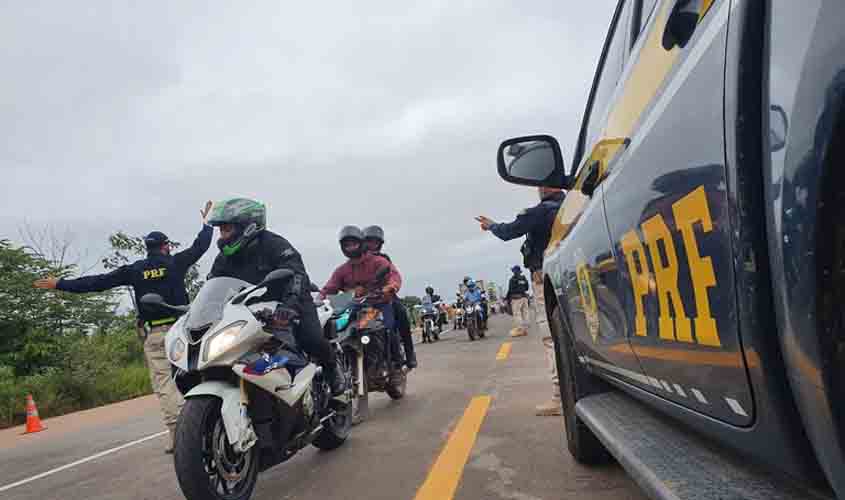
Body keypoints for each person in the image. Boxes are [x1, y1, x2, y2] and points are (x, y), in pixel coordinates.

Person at [33, 201, 214, 453]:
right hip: (183, 333)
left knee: (164, 384)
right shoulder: (175, 263)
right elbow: (200, 246)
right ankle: (204, 425)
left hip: (155, 335)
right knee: (197, 375)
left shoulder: (135, 270)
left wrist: (60, 283)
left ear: (148, 249)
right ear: (166, 247)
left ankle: (178, 434)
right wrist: (206, 224)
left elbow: (97, 282)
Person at [205, 198, 345, 397]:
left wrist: (289, 306)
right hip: (251, 311)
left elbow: (296, 274)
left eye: (227, 229)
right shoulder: (224, 258)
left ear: (247, 227)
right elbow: (213, 285)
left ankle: (332, 369)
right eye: (221, 230)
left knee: (311, 339)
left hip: (291, 302)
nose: (222, 236)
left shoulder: (274, 245)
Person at [476, 186, 566, 416]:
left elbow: (509, 231)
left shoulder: (541, 211)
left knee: (551, 336)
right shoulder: (572, 207)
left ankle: (560, 396)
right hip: (571, 274)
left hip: (545, 279)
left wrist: (491, 225)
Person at [321, 225, 403, 360]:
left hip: (379, 303)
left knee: (389, 328)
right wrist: (318, 300)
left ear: (361, 244)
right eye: (347, 245)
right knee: (338, 330)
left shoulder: (379, 261)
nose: (350, 247)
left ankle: (396, 360)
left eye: (353, 244)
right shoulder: (342, 270)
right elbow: (329, 288)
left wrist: (391, 287)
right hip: (355, 306)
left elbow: (393, 276)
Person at [362, 225, 417, 369]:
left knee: (401, 313)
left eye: (375, 242)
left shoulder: (384, 259)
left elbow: (393, 274)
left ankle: (409, 354)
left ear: (380, 244)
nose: (372, 245)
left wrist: (391, 286)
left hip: (386, 297)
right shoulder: (357, 262)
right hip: (365, 301)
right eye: (369, 241)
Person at [506, 265, 531, 337]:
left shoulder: (512, 279)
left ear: (514, 271)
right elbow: (527, 288)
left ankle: (520, 329)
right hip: (524, 297)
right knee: (525, 313)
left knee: (517, 314)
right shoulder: (524, 278)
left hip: (516, 298)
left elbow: (510, 290)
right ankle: (525, 328)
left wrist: (507, 299)